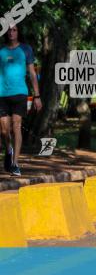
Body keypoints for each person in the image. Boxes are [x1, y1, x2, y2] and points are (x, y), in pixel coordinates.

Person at [0, 25, 41, 177]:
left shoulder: (26, 49)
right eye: (9, 30)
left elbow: (32, 73)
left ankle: (15, 164)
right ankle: (8, 149)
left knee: (16, 127)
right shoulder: (1, 51)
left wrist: (36, 96)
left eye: (14, 30)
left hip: (20, 94)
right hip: (2, 94)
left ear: (18, 32)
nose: (11, 32)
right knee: (4, 131)